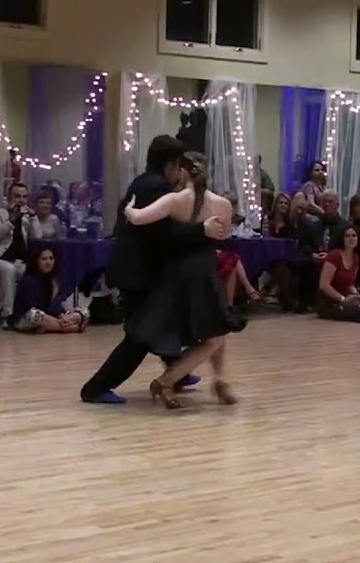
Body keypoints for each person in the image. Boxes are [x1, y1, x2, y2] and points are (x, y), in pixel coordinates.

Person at [79, 136, 228, 405]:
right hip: (137, 274)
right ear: (171, 164)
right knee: (141, 337)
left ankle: (177, 374)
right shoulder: (157, 188)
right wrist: (202, 230)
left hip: (135, 270)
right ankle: (96, 388)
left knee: (159, 324)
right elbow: (164, 234)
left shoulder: (145, 182)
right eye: (179, 164)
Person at [121, 151, 246, 409]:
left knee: (214, 333)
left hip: (178, 275)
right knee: (216, 334)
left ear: (183, 171)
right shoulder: (223, 204)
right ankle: (179, 381)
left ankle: (186, 381)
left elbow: (138, 219)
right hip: (205, 273)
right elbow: (221, 238)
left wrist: (128, 207)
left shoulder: (175, 200)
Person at [314, 224, 360, 322]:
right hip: (330, 301)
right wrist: (343, 299)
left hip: (347, 297)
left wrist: (356, 294)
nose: (351, 238)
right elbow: (324, 285)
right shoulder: (334, 256)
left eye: (354, 236)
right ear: (342, 238)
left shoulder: (355, 257)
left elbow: (350, 284)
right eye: (347, 236)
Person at [10, 246, 89, 333]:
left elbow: (56, 304)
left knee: (84, 312)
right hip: (28, 317)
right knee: (35, 315)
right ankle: (70, 328)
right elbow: (31, 307)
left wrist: (62, 316)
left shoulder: (54, 280)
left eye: (51, 258)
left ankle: (59, 326)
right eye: (44, 259)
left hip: (51, 317)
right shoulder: (29, 280)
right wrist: (57, 319)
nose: (48, 262)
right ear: (37, 261)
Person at [0, 182, 31, 320]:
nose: (21, 200)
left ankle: (31, 311)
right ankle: (8, 314)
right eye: (17, 196)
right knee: (8, 269)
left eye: (24, 197)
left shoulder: (26, 217)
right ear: (8, 198)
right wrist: (11, 221)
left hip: (19, 261)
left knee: (36, 269)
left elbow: (37, 236)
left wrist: (33, 218)